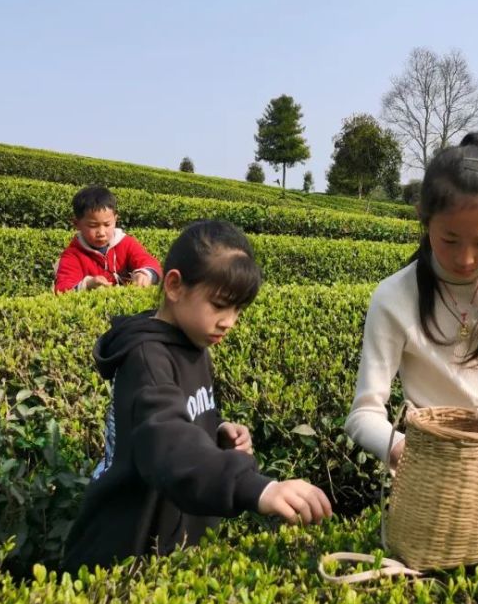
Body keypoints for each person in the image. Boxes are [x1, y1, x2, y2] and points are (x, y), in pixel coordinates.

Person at [62, 219, 332, 571]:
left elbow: (184, 412)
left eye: (237, 310)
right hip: (128, 544)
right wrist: (255, 487)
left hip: (173, 533)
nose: (229, 322)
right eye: (219, 305)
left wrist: (216, 429)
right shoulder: (147, 358)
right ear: (174, 286)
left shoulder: (194, 341)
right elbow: (167, 441)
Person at [345, 132, 478, 469]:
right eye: (449, 239)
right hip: (425, 463)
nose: (466, 258)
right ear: (424, 216)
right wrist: (406, 450)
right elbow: (364, 413)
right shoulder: (394, 296)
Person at [53, 185, 162, 293]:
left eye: (107, 224)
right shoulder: (72, 255)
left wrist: (144, 274)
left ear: (115, 219)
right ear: (76, 224)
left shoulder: (126, 243)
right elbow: (62, 289)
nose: (101, 233)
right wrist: (88, 284)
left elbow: (149, 262)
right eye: (93, 226)